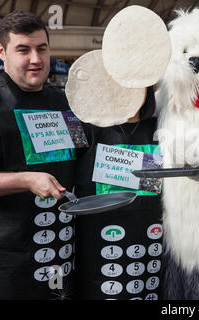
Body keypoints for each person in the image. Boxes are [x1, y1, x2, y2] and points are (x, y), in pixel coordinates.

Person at [0, 11, 78, 299]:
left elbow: (82, 160)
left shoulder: (65, 103)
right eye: (23, 50)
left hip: (60, 259)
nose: (36, 59)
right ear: (2, 51)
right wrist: (25, 180)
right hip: (6, 267)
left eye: (42, 48)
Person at [73, 87, 163, 300]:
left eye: (136, 87)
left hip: (149, 246)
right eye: (121, 85)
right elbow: (61, 166)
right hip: (98, 251)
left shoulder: (164, 129)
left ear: (148, 90)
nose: (128, 92)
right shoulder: (83, 125)